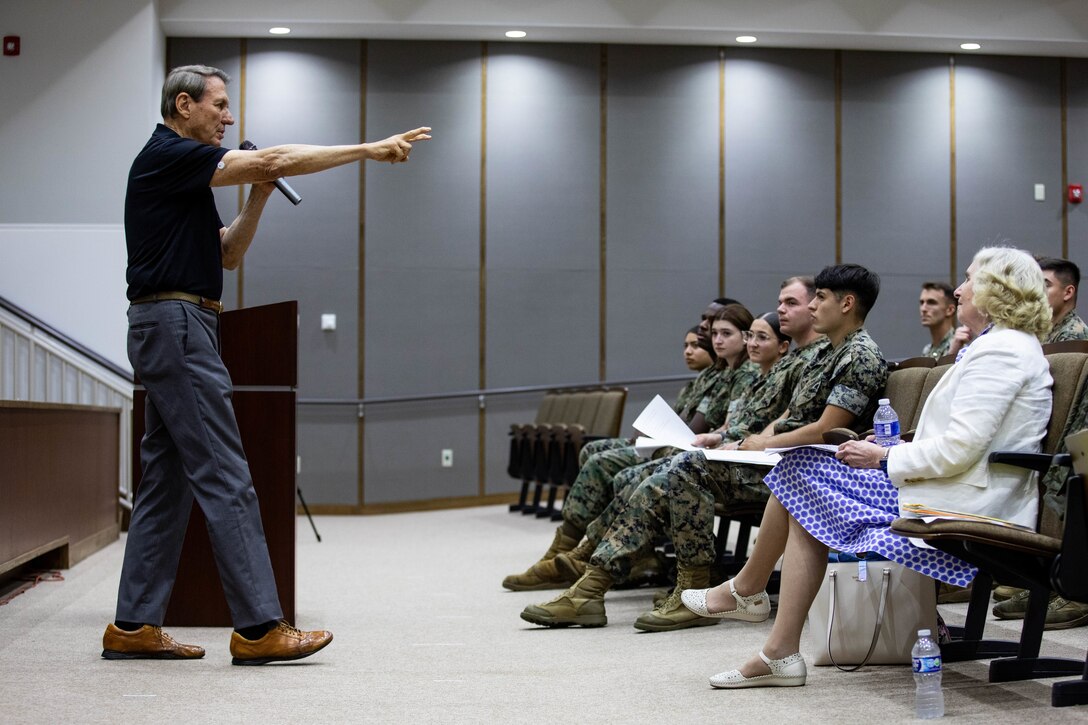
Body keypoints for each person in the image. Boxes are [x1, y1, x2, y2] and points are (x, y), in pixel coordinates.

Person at [103, 65, 430, 664]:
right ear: (184, 105)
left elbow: (227, 254)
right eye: (220, 106)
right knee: (225, 473)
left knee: (167, 481)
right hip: (176, 325)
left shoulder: (181, 174)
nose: (229, 118)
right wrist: (367, 149)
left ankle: (132, 624)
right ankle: (258, 627)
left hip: (179, 322)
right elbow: (276, 157)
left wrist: (258, 193)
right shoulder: (167, 154)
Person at [687, 246, 1052, 688]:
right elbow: (966, 440)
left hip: (972, 501)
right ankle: (771, 636)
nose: (959, 290)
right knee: (802, 478)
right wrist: (896, 444)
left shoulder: (1003, 352)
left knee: (801, 474)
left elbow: (961, 449)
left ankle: (753, 604)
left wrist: (884, 456)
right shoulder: (999, 346)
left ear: (997, 289)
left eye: (970, 279)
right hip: (956, 484)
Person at [521, 265, 889, 630]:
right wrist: (746, 443)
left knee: (686, 468)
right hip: (779, 460)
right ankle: (592, 584)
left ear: (846, 304)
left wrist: (763, 443)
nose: (812, 306)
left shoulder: (859, 355)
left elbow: (825, 430)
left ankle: (682, 585)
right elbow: (790, 416)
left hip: (808, 471)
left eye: (819, 298)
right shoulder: (827, 354)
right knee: (670, 468)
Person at [501, 320, 714, 591]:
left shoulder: (731, 378)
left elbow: (697, 429)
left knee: (614, 469)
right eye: (686, 345)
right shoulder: (698, 382)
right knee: (593, 450)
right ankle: (569, 549)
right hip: (673, 448)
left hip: (696, 455)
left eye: (697, 344)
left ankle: (597, 552)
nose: (689, 350)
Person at [1037, 257, 1088, 343]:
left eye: (1045, 285)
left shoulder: (1072, 334)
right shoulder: (1046, 327)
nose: (1037, 291)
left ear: (1068, 292)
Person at [919, 281, 957, 359]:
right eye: (922, 303)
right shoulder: (927, 350)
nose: (923, 309)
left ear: (950, 310)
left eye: (931, 302)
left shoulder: (959, 347)